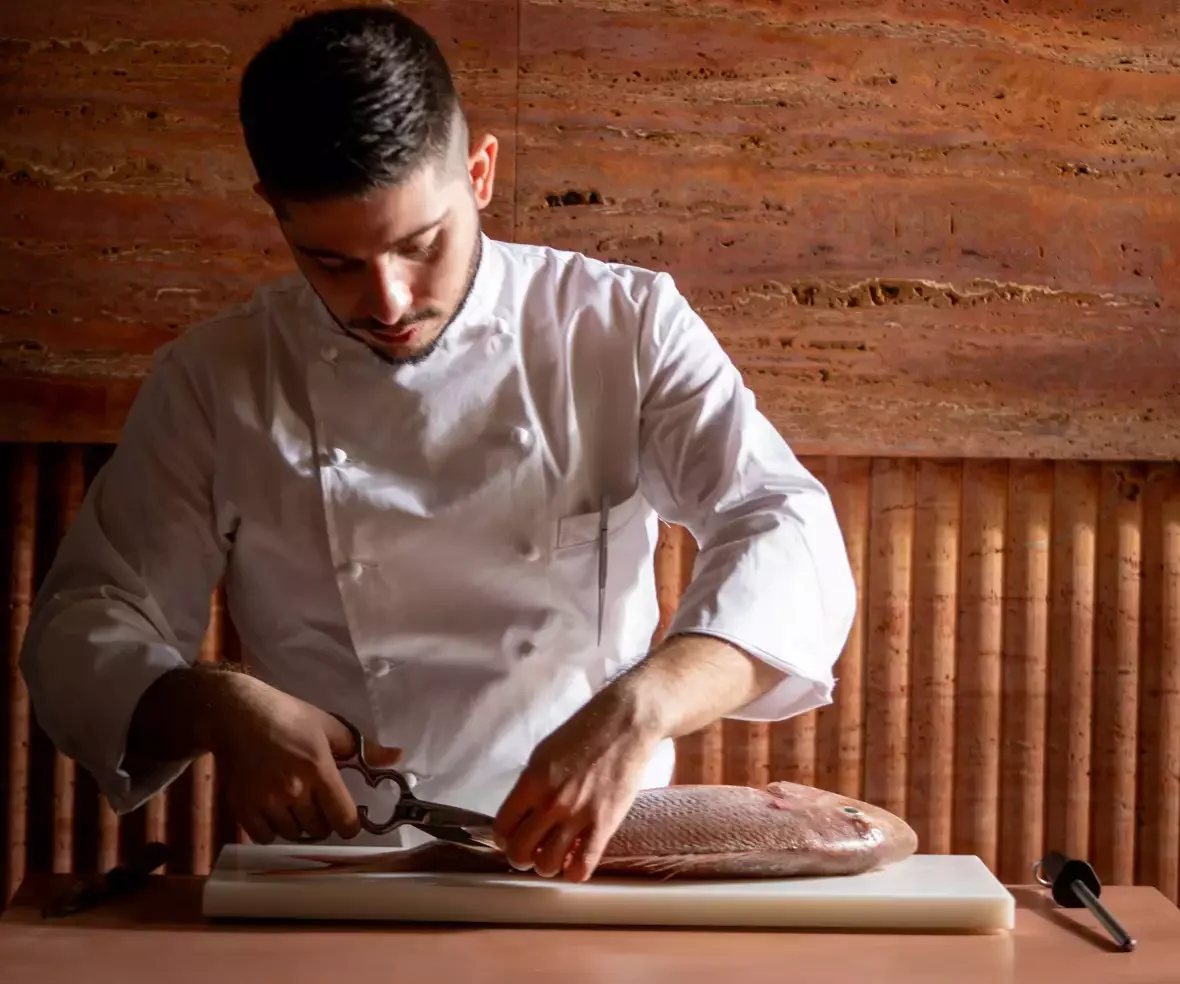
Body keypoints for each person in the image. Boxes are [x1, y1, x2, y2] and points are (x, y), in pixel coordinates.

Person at [18, 4, 856, 883]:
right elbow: (83, 627)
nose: (386, 301)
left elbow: (784, 526)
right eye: (333, 264)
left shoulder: (622, 326)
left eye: (421, 245)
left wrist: (645, 704)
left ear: (481, 172)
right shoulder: (215, 378)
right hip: (332, 874)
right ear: (274, 211)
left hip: (592, 863)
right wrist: (216, 703)